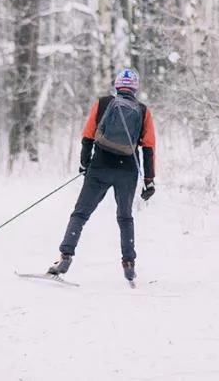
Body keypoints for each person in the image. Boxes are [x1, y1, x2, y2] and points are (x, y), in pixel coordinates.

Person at [47, 68, 156, 282]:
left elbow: (88, 135)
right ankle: (129, 263)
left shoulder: (104, 103)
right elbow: (149, 147)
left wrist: (84, 163)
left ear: (117, 85)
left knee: (80, 214)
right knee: (125, 218)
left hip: (100, 167)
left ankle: (65, 256)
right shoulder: (143, 111)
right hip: (127, 171)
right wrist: (148, 181)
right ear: (135, 88)